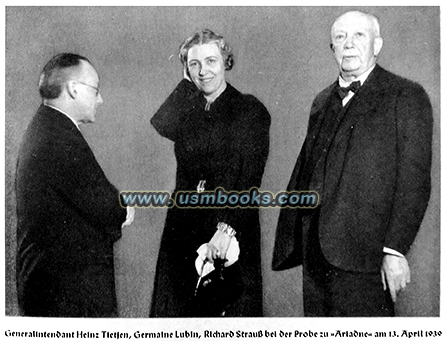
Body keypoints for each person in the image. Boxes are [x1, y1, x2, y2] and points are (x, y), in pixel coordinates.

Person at [272, 11, 433, 317]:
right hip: (316, 256)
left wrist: (395, 250)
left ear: (378, 44)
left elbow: (415, 181)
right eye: (340, 37)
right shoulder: (321, 100)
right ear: (332, 47)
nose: (348, 44)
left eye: (359, 35)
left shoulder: (406, 95)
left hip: (367, 259)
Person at [150, 29, 270, 317]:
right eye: (195, 64)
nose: (203, 71)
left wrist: (225, 229)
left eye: (211, 61)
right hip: (183, 228)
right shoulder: (188, 110)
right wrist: (185, 81)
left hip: (227, 227)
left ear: (226, 62)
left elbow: (250, 178)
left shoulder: (249, 109)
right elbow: (161, 123)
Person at [16, 53, 135, 317]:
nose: (100, 99)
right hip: (67, 297)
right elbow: (107, 205)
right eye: (96, 90)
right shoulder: (60, 137)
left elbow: (87, 193)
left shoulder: (47, 127)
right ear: (73, 89)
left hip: (51, 290)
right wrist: (124, 209)